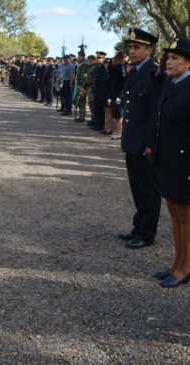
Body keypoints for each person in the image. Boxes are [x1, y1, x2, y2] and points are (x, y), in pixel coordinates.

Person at [118, 28, 161, 249]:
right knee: (137, 187)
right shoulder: (135, 72)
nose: (131, 51)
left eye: (136, 47)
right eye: (131, 47)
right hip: (133, 139)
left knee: (148, 189)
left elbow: (156, 113)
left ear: (149, 50)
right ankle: (138, 226)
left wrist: (150, 143)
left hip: (144, 142)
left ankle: (146, 233)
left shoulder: (153, 74)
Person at [153, 39, 190, 287]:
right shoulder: (171, 83)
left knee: (186, 216)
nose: (169, 61)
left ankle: (185, 267)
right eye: (168, 57)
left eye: (176, 58)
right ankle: (177, 262)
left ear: (188, 63)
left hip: (185, 163)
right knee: (175, 214)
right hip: (169, 160)